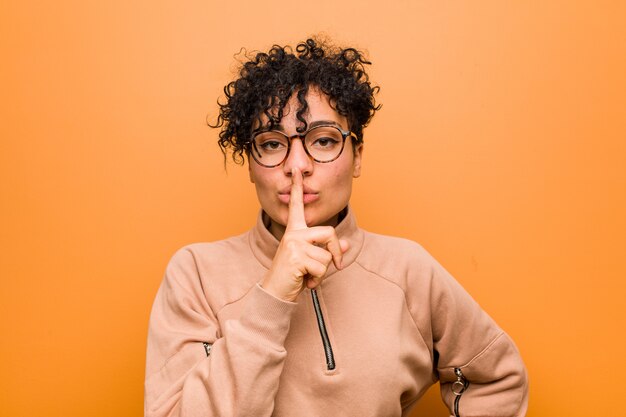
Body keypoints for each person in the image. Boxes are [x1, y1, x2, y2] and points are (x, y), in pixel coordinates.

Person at [144, 38, 529, 417]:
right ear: (250, 163)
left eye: (324, 140)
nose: (297, 165)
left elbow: (498, 379)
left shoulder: (409, 270)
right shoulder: (194, 274)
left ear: (356, 156)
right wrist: (273, 295)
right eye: (273, 144)